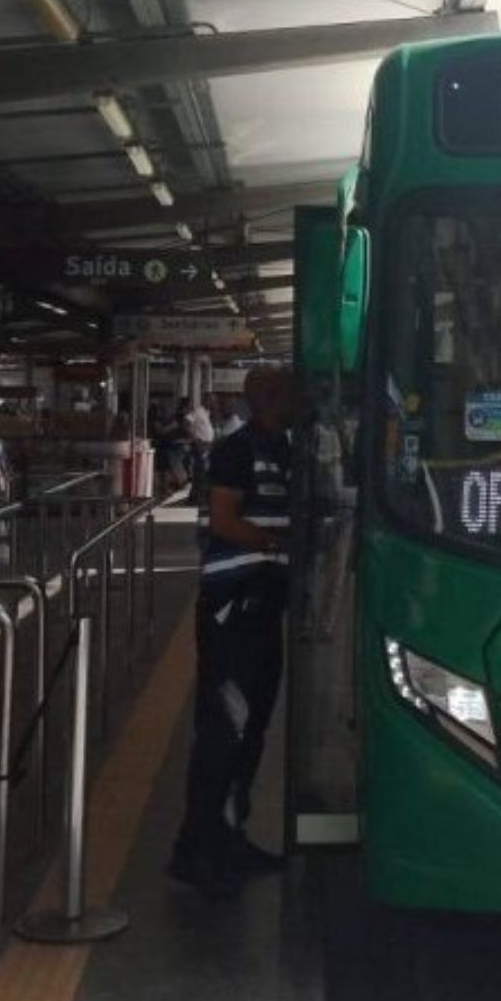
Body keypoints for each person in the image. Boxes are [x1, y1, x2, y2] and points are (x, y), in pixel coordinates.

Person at [170, 366, 295, 894]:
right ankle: (199, 851)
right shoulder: (237, 449)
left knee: (253, 725)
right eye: (291, 392)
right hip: (232, 607)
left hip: (264, 604)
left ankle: (229, 834)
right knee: (225, 728)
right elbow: (223, 520)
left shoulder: (284, 447)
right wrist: (276, 547)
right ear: (268, 397)